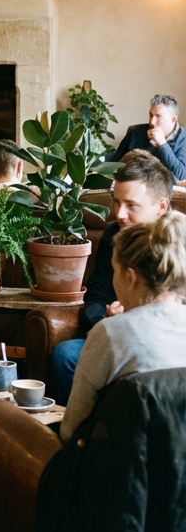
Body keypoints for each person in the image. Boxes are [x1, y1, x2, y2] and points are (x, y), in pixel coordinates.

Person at [48, 151, 174, 404]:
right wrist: (107, 318)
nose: (119, 214)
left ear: (161, 206)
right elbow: (94, 296)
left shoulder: (176, 242)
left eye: (131, 205)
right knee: (65, 355)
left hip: (167, 338)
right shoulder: (113, 236)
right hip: (116, 335)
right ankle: (83, 434)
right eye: (116, 202)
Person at [60, 211, 186, 440]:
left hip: (121, 469)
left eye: (115, 271)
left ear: (131, 277)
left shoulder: (110, 332)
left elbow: (72, 431)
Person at [113, 95, 186, 181]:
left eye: (158, 116)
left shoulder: (183, 139)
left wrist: (162, 144)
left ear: (173, 119)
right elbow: (115, 162)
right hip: (133, 184)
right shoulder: (136, 132)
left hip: (163, 189)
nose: (152, 122)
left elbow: (180, 174)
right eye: (151, 115)